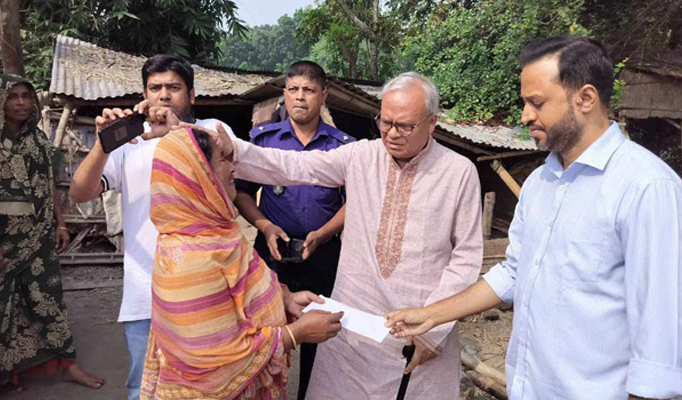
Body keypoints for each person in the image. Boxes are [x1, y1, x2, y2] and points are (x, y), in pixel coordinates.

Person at [386, 36, 682, 400]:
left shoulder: (646, 187)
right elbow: (514, 271)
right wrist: (433, 314)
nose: (525, 115)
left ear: (585, 98)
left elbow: (660, 338)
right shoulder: (540, 183)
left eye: (537, 102)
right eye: (524, 102)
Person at [194, 71, 483, 399]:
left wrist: (434, 329)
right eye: (385, 122)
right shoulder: (361, 155)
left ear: (432, 123)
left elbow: (466, 257)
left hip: (418, 330)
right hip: (356, 323)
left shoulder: (458, 173)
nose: (392, 133)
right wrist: (234, 149)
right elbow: (294, 167)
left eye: (405, 126)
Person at [69, 54, 236, 400]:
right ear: (144, 94)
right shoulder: (128, 144)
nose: (163, 96)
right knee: (143, 389)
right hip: (145, 293)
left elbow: (226, 158)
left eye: (173, 88)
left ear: (191, 94)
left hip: (207, 288)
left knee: (213, 385)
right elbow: (80, 192)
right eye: (154, 88)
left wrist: (175, 129)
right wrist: (104, 143)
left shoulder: (212, 130)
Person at [139, 126, 343, 400]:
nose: (233, 166)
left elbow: (241, 288)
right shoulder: (191, 259)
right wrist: (295, 334)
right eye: (223, 159)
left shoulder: (217, 232)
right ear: (200, 176)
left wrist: (285, 298)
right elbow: (219, 361)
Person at [0, 74, 103, 389]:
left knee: (49, 301)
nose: (20, 103)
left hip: (39, 239)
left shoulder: (37, 140)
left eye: (26, 96)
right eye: (12, 96)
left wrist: (59, 223)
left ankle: (69, 364)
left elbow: (48, 185)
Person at [234, 60, 349, 399]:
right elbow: (240, 191)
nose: (301, 98)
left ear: (323, 95)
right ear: (284, 93)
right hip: (271, 253)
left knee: (322, 336)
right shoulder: (263, 141)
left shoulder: (343, 146)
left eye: (310, 90)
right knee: (265, 331)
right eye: (294, 89)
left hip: (323, 254)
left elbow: (356, 201)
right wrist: (264, 225)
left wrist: (325, 232)